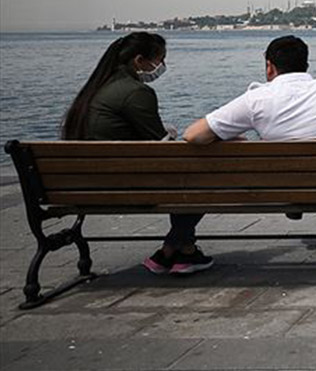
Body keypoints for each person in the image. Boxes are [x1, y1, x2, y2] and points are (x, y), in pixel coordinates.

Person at [183, 35, 316, 256]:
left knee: (297, 159)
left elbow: (193, 135)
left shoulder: (256, 98)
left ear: (270, 66)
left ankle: (297, 198)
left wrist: (230, 138)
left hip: (283, 184)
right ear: (305, 64)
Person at [62, 32, 213, 275]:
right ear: (139, 60)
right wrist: (172, 136)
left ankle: (180, 250)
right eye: (160, 60)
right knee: (202, 179)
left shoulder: (96, 89)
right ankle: (175, 249)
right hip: (126, 186)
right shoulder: (136, 92)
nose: (161, 67)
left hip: (83, 186)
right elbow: (160, 147)